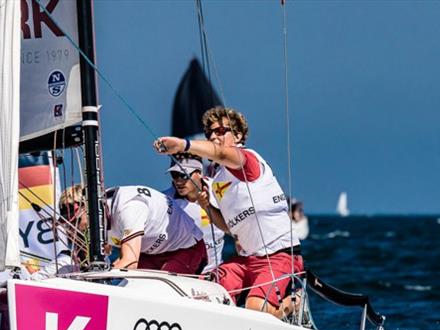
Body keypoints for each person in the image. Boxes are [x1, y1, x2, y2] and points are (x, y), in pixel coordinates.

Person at [153, 106, 302, 319]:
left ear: (238, 135)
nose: (214, 136)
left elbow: (221, 153)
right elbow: (229, 227)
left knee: (256, 310)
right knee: (205, 294)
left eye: (221, 131)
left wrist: (182, 144)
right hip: (246, 259)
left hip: (279, 255)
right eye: (210, 133)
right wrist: (206, 206)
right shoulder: (219, 180)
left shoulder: (247, 159)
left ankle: (296, 301)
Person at [58, 184, 207, 274]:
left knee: (157, 293)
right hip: (149, 253)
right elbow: (105, 251)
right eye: (69, 224)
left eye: (77, 222)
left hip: (186, 248)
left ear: (88, 209)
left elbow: (130, 263)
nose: (74, 229)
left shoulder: (128, 208)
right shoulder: (98, 215)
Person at [161, 153, 225, 273]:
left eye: (184, 175)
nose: (179, 181)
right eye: (175, 175)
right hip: (182, 272)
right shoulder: (164, 200)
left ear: (199, 173)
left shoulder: (219, 189)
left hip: (214, 271)